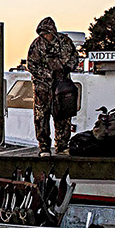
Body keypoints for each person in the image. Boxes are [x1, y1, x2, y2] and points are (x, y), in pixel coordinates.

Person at [27, 16, 78, 156]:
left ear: (53, 32)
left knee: (63, 115)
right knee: (41, 117)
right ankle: (44, 147)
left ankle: (62, 146)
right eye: (42, 33)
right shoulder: (36, 45)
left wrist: (67, 68)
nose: (45, 36)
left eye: (47, 33)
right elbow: (31, 65)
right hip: (42, 88)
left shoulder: (65, 41)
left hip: (62, 86)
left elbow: (74, 57)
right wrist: (49, 74)